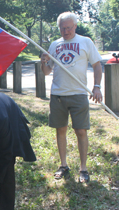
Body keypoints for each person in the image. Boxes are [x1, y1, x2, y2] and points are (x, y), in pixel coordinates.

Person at [40, 11, 103, 183]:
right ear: (59, 28)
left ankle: (83, 168)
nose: (66, 31)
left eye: (68, 28)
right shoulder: (54, 45)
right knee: (60, 129)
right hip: (58, 95)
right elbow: (46, 72)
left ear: (75, 26)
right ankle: (63, 165)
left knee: (81, 130)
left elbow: (97, 65)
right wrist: (43, 60)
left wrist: (96, 87)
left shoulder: (85, 42)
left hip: (79, 94)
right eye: (62, 28)